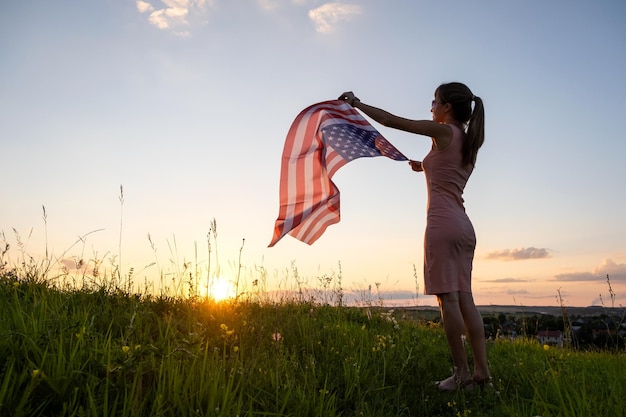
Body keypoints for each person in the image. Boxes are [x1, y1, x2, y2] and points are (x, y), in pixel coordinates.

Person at [338, 83, 491, 391]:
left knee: (447, 299)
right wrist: (424, 166)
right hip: (463, 227)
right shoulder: (468, 140)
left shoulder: (444, 132)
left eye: (435, 102)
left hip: (442, 225)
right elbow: (449, 172)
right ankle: (481, 375)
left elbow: (396, 122)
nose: (431, 107)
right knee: (465, 299)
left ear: (447, 107)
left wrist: (358, 103)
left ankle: (461, 375)